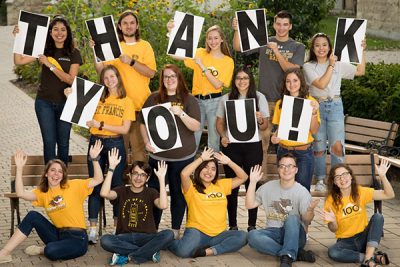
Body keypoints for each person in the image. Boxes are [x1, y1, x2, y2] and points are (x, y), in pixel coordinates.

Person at [0, 140, 104, 264]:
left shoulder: (74, 185)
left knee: (50, 251)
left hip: (78, 239)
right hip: (58, 234)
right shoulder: (43, 193)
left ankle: (42, 250)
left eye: (60, 171)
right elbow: (20, 193)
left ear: (63, 176)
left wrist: (95, 159)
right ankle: (4, 253)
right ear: (46, 174)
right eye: (53, 170)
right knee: (32, 215)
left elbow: (98, 179)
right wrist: (19, 169)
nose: (56, 174)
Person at [232, 10, 305, 179]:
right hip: (264, 101)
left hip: (287, 102)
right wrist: (237, 30)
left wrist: (277, 51)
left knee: (287, 143)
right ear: (273, 25)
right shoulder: (264, 40)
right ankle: (261, 180)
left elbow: (292, 70)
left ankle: (288, 180)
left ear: (290, 26)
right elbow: (238, 46)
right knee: (262, 143)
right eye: (278, 24)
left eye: (285, 24)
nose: (281, 28)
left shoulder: (297, 46)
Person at [139, 64, 200, 238]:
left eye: (173, 76)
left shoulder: (189, 100)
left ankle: (174, 230)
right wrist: (146, 141)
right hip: (158, 157)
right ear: (162, 80)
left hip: (183, 158)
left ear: (179, 78)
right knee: (155, 194)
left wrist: (181, 113)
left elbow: (195, 126)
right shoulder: (153, 98)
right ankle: (153, 229)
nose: (169, 80)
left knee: (178, 194)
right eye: (166, 77)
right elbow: (142, 123)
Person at [13, 16, 82, 165]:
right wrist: (18, 40)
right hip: (44, 103)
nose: (59, 33)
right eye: (55, 29)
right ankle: (50, 181)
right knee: (49, 143)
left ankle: (62, 179)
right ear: (50, 32)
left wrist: (49, 65)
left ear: (68, 32)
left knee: (63, 143)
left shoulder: (74, 52)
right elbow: (19, 61)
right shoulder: (43, 50)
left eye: (63, 29)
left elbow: (70, 79)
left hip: (66, 104)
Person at [303, 33, 366, 192]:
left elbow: (360, 71)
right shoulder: (309, 66)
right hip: (316, 107)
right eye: (317, 45)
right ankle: (321, 180)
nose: (321, 48)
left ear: (330, 47)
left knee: (337, 146)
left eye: (325, 45)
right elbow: (321, 84)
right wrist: (331, 64)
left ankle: (339, 180)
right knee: (318, 147)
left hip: (335, 106)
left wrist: (362, 51)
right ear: (313, 48)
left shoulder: (338, 64)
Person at [93, 10, 156, 162]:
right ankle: (119, 184)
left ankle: (139, 182)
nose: (129, 26)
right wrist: (96, 50)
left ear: (137, 25)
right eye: (125, 23)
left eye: (132, 23)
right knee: (118, 151)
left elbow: (151, 73)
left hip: (139, 106)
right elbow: (101, 70)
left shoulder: (144, 46)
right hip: (118, 108)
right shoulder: (114, 47)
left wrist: (132, 62)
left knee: (138, 151)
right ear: (119, 26)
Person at [80, 65, 135, 243]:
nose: (109, 80)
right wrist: (70, 96)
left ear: (118, 77)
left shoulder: (126, 101)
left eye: (112, 76)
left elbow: (125, 128)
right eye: (105, 78)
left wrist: (101, 124)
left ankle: (118, 227)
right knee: (94, 185)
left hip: (115, 143)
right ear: (102, 81)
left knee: (117, 186)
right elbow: (81, 112)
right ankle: (93, 230)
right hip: (96, 141)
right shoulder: (96, 98)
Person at [169, 147, 248, 258]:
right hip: (197, 232)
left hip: (219, 234)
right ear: (199, 169)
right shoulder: (191, 187)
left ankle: (208, 251)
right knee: (183, 252)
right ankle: (168, 242)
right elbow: (184, 174)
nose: (209, 172)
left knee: (243, 236)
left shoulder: (221, 185)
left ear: (216, 172)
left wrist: (229, 162)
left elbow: (243, 177)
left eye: (213, 169)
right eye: (205, 167)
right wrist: (201, 158)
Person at [216, 67, 269, 231]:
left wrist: (260, 120)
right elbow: (219, 122)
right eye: (239, 78)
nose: (242, 81)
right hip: (232, 147)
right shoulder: (226, 98)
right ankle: (232, 225)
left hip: (253, 146)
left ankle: (252, 225)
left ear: (250, 80)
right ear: (234, 80)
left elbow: (265, 125)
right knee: (232, 185)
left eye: (245, 78)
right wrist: (223, 136)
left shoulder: (259, 98)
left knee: (252, 183)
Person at [167, 22, 234, 152]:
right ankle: (191, 167)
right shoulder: (200, 53)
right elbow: (174, 55)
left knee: (214, 138)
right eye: (209, 38)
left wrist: (202, 67)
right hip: (196, 101)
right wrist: (171, 34)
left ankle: (211, 167)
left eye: (215, 38)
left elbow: (217, 85)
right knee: (194, 134)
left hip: (215, 101)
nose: (212, 41)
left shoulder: (227, 61)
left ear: (221, 39)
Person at [246, 153, 319, 267]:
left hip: (295, 234)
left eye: (290, 166)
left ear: (296, 170)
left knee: (292, 218)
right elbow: (250, 205)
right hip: (273, 233)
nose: (286, 169)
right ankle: (293, 253)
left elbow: (307, 220)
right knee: (252, 236)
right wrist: (252, 182)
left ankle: (287, 256)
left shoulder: (302, 191)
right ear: (278, 169)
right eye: (282, 166)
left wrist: (310, 210)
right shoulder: (267, 187)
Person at [100, 155, 174, 265]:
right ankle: (149, 252)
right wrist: (111, 168)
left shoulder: (151, 192)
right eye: (135, 173)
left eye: (143, 175)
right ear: (129, 175)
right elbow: (104, 193)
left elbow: (163, 205)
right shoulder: (121, 190)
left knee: (169, 234)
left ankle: (127, 255)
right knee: (105, 240)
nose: (138, 178)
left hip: (147, 237)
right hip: (124, 237)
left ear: (147, 178)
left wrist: (162, 179)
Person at [323, 159, 394, 266]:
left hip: (364, 237)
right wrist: (333, 221)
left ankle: (368, 259)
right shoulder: (330, 200)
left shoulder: (360, 192)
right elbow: (333, 229)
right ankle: (371, 258)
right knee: (333, 252)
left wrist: (383, 176)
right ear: (334, 182)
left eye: (345, 174)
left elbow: (389, 195)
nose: (342, 179)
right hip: (346, 241)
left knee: (378, 217)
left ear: (351, 176)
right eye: (338, 177)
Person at [270, 68, 320, 191]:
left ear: (301, 82)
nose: (291, 84)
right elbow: (277, 128)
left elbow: (314, 130)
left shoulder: (311, 102)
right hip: (284, 151)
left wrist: (313, 114)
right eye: (288, 81)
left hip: (303, 152)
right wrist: (273, 137)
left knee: (302, 190)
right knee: (285, 189)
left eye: (295, 80)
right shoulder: (280, 103)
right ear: (285, 84)